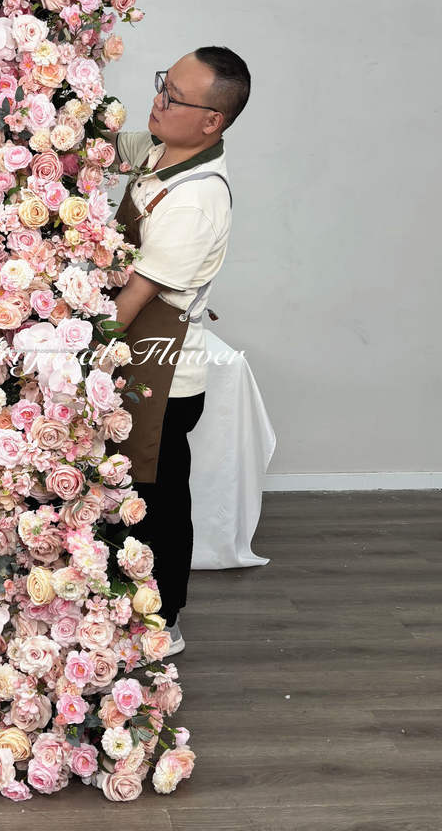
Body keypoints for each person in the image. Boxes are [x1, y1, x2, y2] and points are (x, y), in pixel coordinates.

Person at [106, 46, 251, 656]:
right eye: (163, 84)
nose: (158, 100)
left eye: (174, 96)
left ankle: (165, 618)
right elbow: (110, 147)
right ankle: (120, 606)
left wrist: (69, 350)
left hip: (163, 373)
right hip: (136, 358)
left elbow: (133, 300)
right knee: (128, 491)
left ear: (212, 121)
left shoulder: (196, 199)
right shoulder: (163, 149)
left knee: (157, 498)